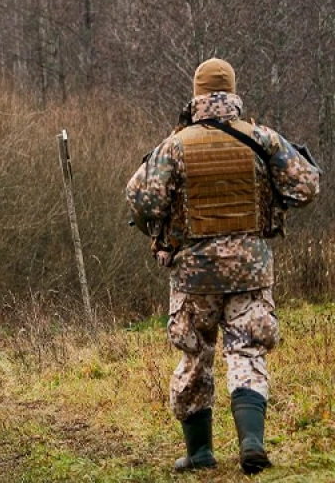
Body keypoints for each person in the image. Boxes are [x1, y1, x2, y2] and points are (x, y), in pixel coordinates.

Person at [125, 58, 321, 474]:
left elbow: (142, 200)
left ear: (197, 96)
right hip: (250, 269)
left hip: (195, 273)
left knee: (196, 355)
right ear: (232, 92)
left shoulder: (175, 145)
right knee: (247, 352)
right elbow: (307, 186)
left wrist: (163, 232)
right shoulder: (262, 138)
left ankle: (200, 453)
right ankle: (251, 442)